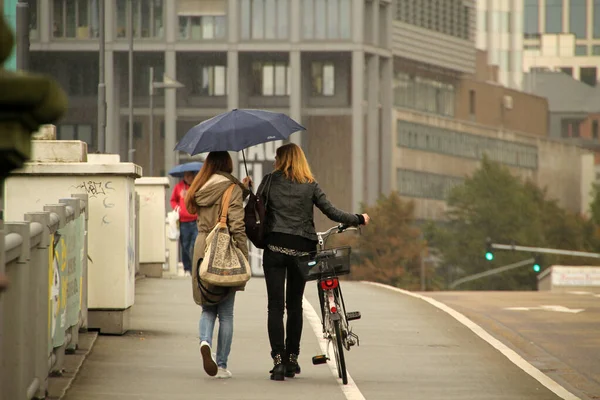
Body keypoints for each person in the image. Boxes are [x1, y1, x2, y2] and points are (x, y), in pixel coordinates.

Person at [256, 143, 370, 381]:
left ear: (281, 160)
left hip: (274, 249)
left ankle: (277, 361)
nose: (275, 161)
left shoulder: (268, 181)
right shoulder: (310, 185)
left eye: (277, 158)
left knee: (275, 307)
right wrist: (358, 218)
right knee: (294, 304)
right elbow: (332, 212)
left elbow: (256, 210)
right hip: (301, 250)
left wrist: (249, 189)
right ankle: (292, 360)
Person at [184, 151, 251, 380]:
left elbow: (200, 211)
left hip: (202, 246)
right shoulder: (231, 189)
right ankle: (221, 365)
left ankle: (205, 341)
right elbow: (237, 225)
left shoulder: (199, 188)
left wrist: (244, 190)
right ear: (228, 164)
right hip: (223, 247)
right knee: (227, 313)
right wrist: (243, 254)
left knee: (207, 307)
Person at [170, 170, 198, 277]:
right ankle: (187, 268)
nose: (188, 177)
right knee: (185, 245)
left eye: (190, 175)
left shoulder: (196, 187)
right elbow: (173, 200)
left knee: (194, 244)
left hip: (195, 220)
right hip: (183, 222)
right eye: (186, 176)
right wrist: (177, 208)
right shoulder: (178, 187)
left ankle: (195, 267)